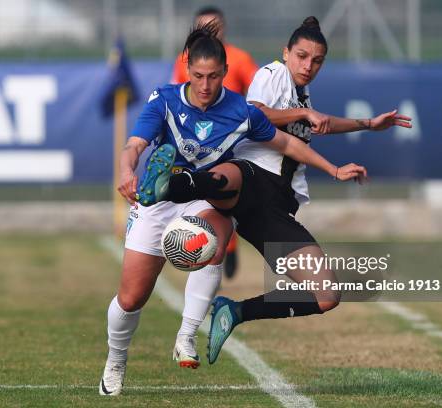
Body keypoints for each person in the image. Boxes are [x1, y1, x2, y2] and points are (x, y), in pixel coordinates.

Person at [100, 22, 367, 396]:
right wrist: (127, 169)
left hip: (204, 198)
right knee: (130, 299)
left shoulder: (241, 111)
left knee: (218, 231)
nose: (205, 85)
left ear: (225, 72)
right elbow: (134, 145)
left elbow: (289, 146)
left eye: (213, 76)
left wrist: (333, 168)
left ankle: (187, 335)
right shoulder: (164, 99)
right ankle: (116, 360)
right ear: (186, 67)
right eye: (197, 76)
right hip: (154, 202)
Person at [163, 16, 413, 365]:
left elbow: (319, 122)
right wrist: (305, 113)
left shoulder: (302, 94)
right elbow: (256, 113)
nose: (308, 65)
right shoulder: (273, 74)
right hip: (251, 178)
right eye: (301, 56)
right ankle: (175, 184)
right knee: (229, 181)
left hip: (275, 207)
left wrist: (368, 124)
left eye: (317, 61)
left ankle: (235, 312)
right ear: (286, 53)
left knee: (326, 294)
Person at [172, 6, 259, 279]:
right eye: (204, 27)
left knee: (222, 197)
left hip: (229, 142)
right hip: (195, 142)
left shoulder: (240, 59)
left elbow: (257, 96)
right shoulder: (184, 60)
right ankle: (207, 253)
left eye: (215, 26)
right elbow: (177, 99)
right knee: (197, 198)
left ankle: (227, 246)